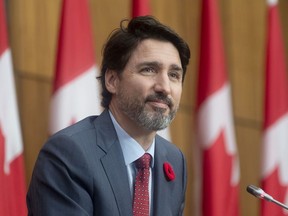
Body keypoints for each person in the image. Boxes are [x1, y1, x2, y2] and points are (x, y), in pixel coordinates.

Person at [27, 15, 190, 216]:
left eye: (174, 75)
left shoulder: (174, 160)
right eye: (149, 70)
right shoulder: (68, 154)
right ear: (112, 80)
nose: (164, 87)